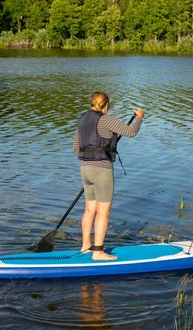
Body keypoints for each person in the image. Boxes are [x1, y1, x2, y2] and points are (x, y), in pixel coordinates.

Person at [73, 92, 144, 261]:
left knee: (90, 209)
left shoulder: (82, 119)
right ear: (106, 106)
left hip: (85, 169)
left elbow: (76, 148)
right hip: (102, 171)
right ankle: (98, 252)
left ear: (92, 103)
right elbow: (131, 131)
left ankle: (85, 246)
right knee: (103, 212)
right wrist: (139, 117)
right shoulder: (106, 119)